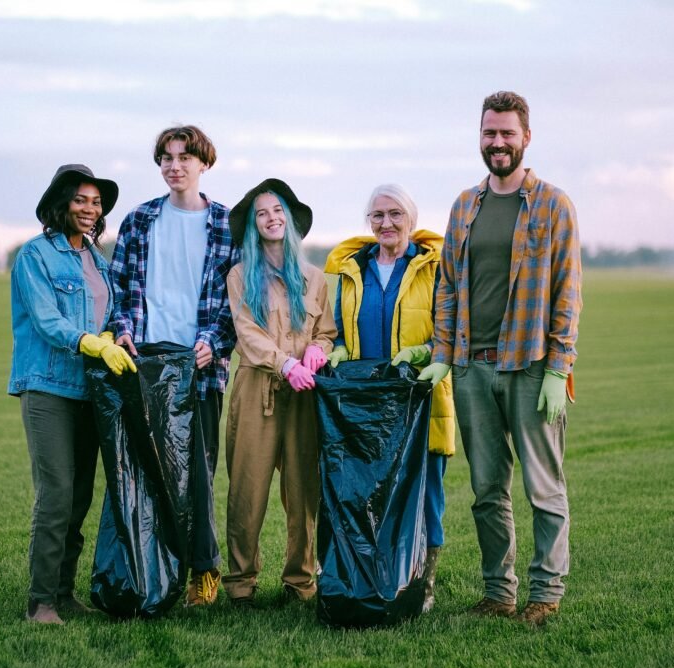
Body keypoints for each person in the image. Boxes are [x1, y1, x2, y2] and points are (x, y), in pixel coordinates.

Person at [419, 91, 582, 627]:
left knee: (543, 487)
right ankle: (498, 592)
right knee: (487, 489)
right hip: (472, 367)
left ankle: (545, 591)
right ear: (480, 136)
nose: (498, 143)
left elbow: (567, 291)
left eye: (507, 133)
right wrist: (444, 356)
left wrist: (560, 368)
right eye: (489, 133)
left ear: (526, 137)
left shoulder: (553, 205)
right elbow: (447, 286)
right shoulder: (466, 205)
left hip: (531, 364)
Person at [107, 125, 238, 607]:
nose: (174, 165)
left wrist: (214, 343)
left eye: (184, 157)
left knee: (197, 475)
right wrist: (122, 329)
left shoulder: (226, 223)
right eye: (166, 157)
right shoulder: (139, 220)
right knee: (147, 470)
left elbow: (235, 300)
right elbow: (120, 289)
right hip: (145, 366)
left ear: (204, 163)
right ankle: (154, 569)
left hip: (199, 369)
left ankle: (205, 571)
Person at [9, 164, 136, 625]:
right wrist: (89, 342)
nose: (90, 209)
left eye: (96, 202)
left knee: (80, 497)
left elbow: (112, 313)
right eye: (81, 200)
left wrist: (114, 337)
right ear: (61, 204)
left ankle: (63, 593)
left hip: (90, 389)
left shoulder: (99, 260)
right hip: (47, 388)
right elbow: (45, 320)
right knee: (57, 494)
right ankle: (39, 601)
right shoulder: (35, 256)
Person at [323, 183, 455, 613]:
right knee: (367, 492)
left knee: (426, 492)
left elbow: (449, 330)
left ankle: (423, 580)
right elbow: (340, 329)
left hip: (419, 398)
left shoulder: (433, 268)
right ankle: (373, 578)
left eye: (395, 214)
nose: (386, 223)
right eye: (377, 215)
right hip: (367, 407)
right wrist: (339, 348)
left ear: (411, 220)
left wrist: (424, 352)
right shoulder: (352, 271)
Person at [222, 178, 336, 607]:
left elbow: (327, 332)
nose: (271, 218)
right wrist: (284, 362)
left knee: (303, 491)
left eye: (278, 211)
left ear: (289, 220)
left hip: (304, 396)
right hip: (257, 390)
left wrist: (315, 354)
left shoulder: (314, 278)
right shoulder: (239, 276)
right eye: (262, 213)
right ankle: (241, 583)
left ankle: (299, 582)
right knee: (247, 490)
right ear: (254, 226)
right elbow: (246, 333)